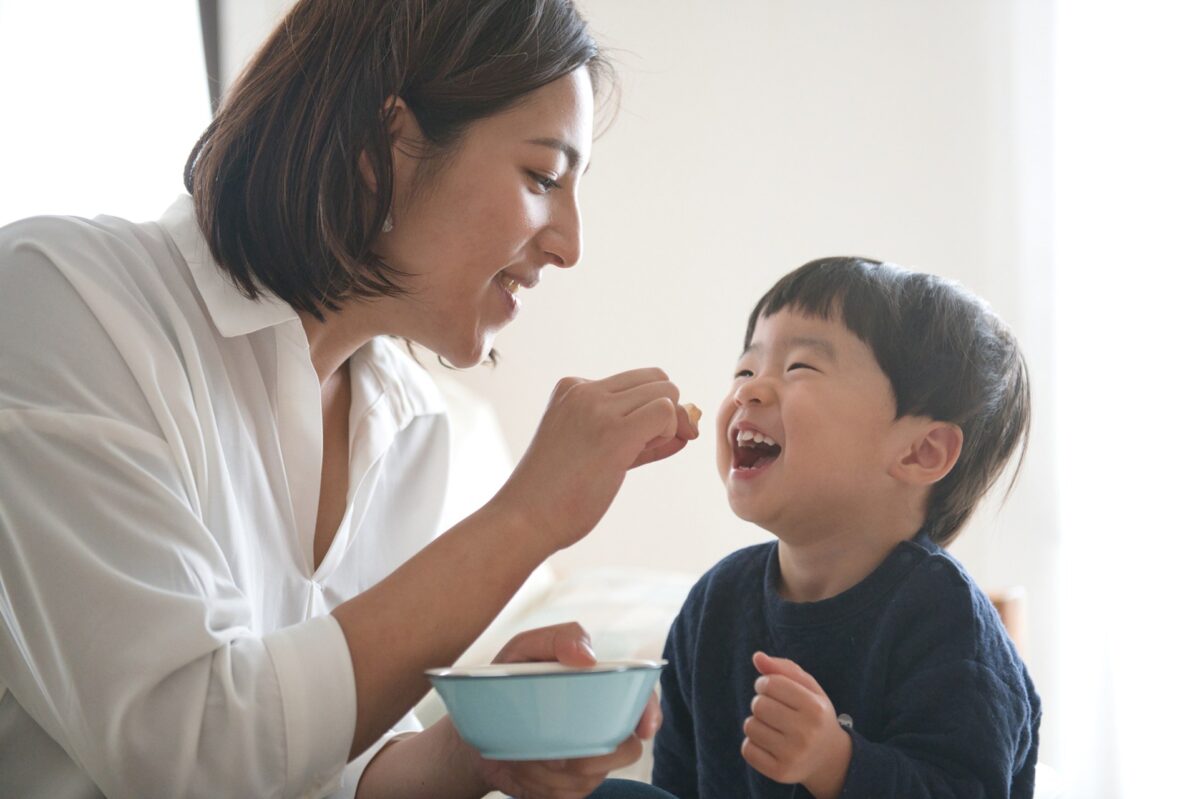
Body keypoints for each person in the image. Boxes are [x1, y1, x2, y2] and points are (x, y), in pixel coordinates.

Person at [0, 1, 699, 797]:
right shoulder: (62, 299)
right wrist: (526, 516)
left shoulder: (408, 419)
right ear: (386, 145)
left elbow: (332, 774)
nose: (569, 244)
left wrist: (474, 751)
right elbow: (194, 751)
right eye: (542, 176)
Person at [652, 257, 1040, 798]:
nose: (749, 392)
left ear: (920, 451)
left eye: (800, 368)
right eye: (745, 370)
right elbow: (677, 781)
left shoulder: (944, 617)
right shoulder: (716, 602)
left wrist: (838, 763)